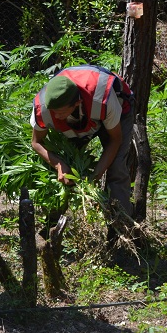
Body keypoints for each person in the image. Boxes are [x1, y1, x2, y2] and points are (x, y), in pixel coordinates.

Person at [30, 65, 135, 233]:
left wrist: (96, 175)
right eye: (53, 112)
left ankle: (121, 231)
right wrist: (59, 165)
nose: (56, 116)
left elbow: (115, 140)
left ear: (77, 103)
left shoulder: (102, 99)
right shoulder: (44, 107)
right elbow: (36, 142)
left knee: (116, 170)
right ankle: (51, 227)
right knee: (67, 171)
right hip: (82, 117)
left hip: (117, 114)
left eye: (60, 113)